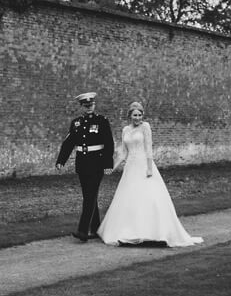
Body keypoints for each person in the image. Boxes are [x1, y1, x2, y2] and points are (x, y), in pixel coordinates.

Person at [97, 101, 203, 247]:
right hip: (130, 168)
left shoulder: (145, 127)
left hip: (143, 165)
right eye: (135, 115)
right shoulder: (125, 130)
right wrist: (112, 167)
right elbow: (123, 153)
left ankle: (153, 233)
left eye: (140, 115)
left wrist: (149, 168)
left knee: (148, 197)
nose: (137, 118)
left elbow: (148, 148)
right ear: (130, 115)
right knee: (129, 198)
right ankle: (128, 231)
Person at [55, 91, 115, 242]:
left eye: (91, 105)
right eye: (86, 105)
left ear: (94, 105)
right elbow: (68, 143)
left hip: (97, 163)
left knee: (89, 196)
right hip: (82, 163)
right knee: (90, 196)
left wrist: (108, 163)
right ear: (81, 106)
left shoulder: (102, 121)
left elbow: (109, 143)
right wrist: (61, 160)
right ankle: (95, 229)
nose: (89, 107)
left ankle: (83, 230)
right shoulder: (76, 123)